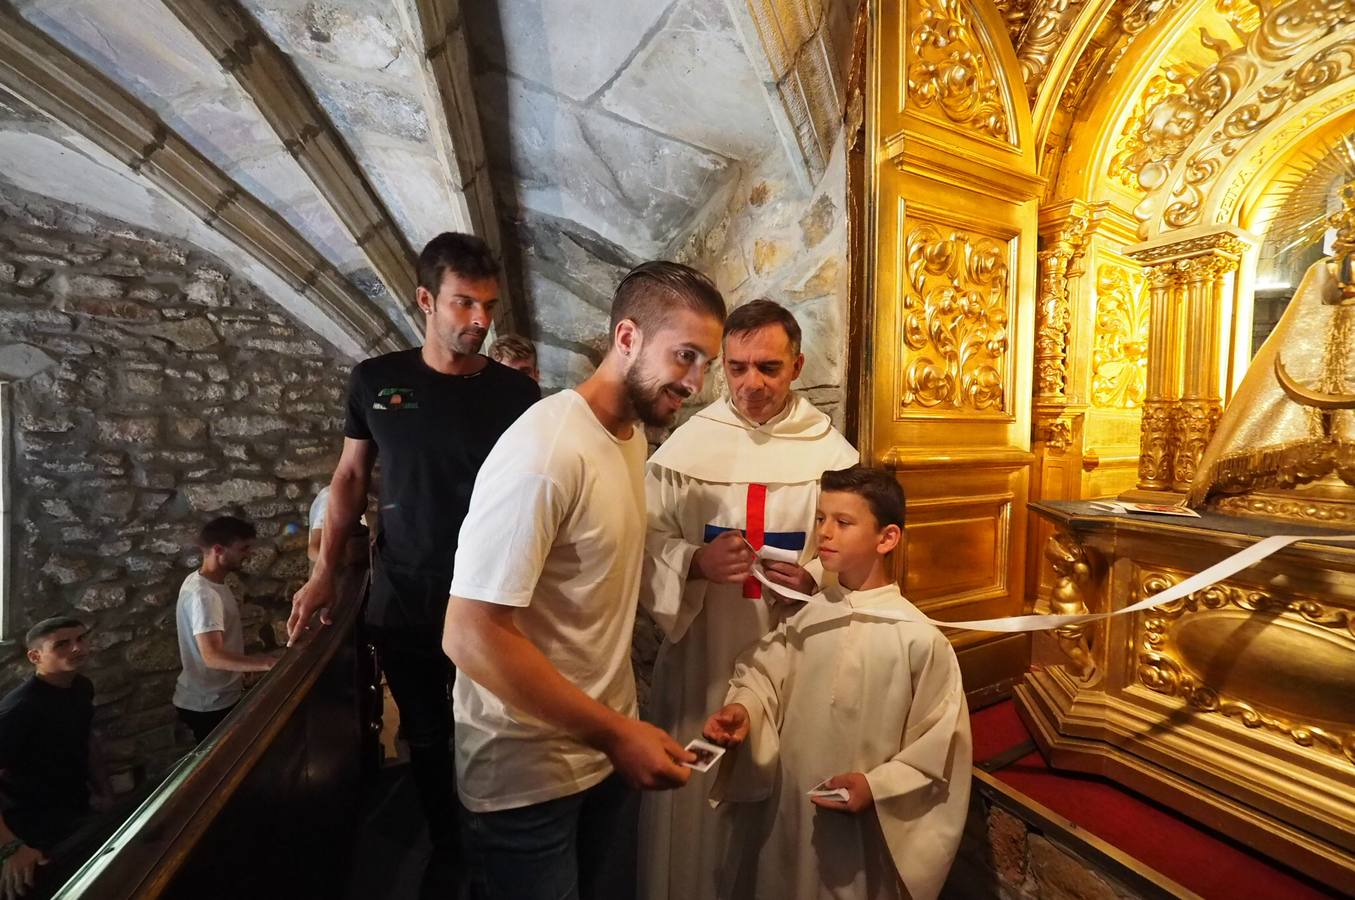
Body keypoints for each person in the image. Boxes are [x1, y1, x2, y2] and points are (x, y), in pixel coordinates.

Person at [442, 261, 727, 900]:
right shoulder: (546, 453)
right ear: (626, 338)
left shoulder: (626, 436)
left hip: (595, 750)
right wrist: (615, 731)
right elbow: (469, 634)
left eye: (706, 362)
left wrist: (614, 729)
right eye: (685, 356)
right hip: (525, 775)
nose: (698, 381)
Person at [288, 232, 540, 895]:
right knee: (426, 734)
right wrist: (322, 574)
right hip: (404, 592)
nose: (479, 321)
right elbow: (348, 478)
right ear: (425, 300)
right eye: (463, 304)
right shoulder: (376, 380)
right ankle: (447, 844)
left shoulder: (516, 396)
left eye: (487, 305)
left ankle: (496, 845)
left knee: (494, 729)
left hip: (491, 596)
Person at [637, 298, 858, 899]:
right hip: (703, 654)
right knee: (698, 797)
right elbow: (645, 539)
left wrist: (816, 574)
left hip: (791, 654)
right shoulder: (686, 452)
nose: (751, 384)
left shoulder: (832, 457)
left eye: (769, 368)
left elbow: (855, 544)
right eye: (736, 368)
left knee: (781, 788)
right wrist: (694, 562)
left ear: (797, 365)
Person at [703, 466, 971, 900]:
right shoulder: (810, 613)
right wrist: (744, 710)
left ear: (887, 539)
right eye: (821, 518)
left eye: (843, 523)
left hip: (858, 837)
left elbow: (938, 745)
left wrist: (876, 786)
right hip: (788, 815)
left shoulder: (918, 640)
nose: (824, 533)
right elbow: (764, 676)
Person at [0, 617, 111, 900]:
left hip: (73, 807)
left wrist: (103, 791)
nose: (77, 648)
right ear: (35, 656)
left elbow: (87, 739)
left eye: (80, 639)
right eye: (62, 644)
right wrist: (11, 847)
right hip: (29, 825)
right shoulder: (19, 710)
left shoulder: (81, 686)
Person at [174, 516, 277, 744]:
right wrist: (267, 664)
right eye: (243, 549)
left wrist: (241, 668)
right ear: (218, 549)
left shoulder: (206, 583)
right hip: (209, 704)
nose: (248, 554)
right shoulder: (204, 595)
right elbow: (212, 656)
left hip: (218, 697)